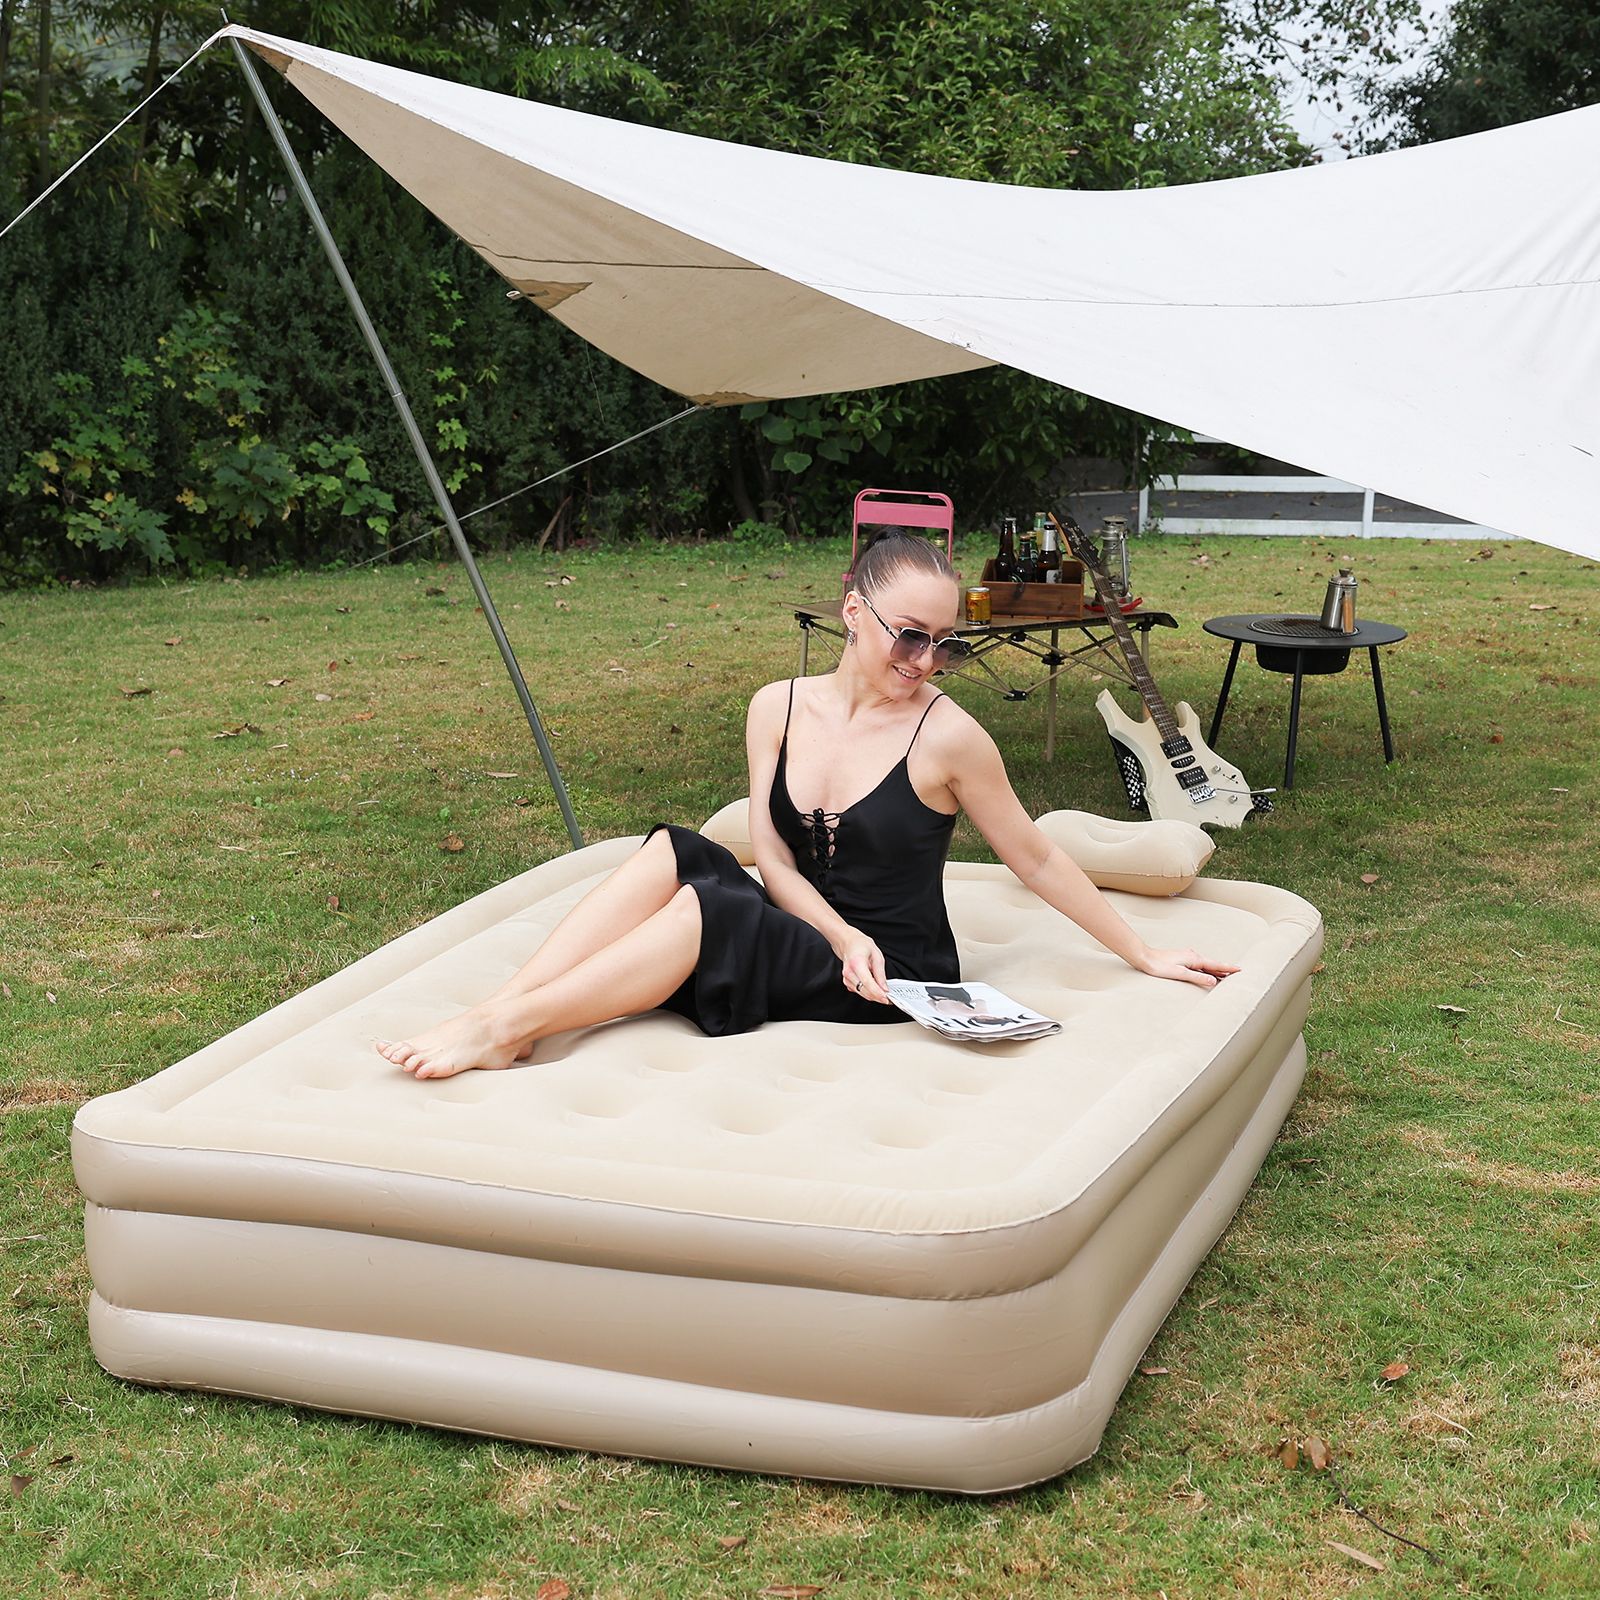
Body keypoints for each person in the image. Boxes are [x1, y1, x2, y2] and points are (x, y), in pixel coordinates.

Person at [377, 530, 1238, 1080]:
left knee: (709, 907)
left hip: (891, 966)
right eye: (910, 635)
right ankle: (503, 1014)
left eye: (945, 643)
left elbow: (1038, 857)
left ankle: (506, 1024)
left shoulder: (949, 737)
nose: (925, 661)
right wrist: (834, 930)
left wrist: (1143, 952)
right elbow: (776, 858)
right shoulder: (775, 707)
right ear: (854, 611)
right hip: (817, 931)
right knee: (676, 849)